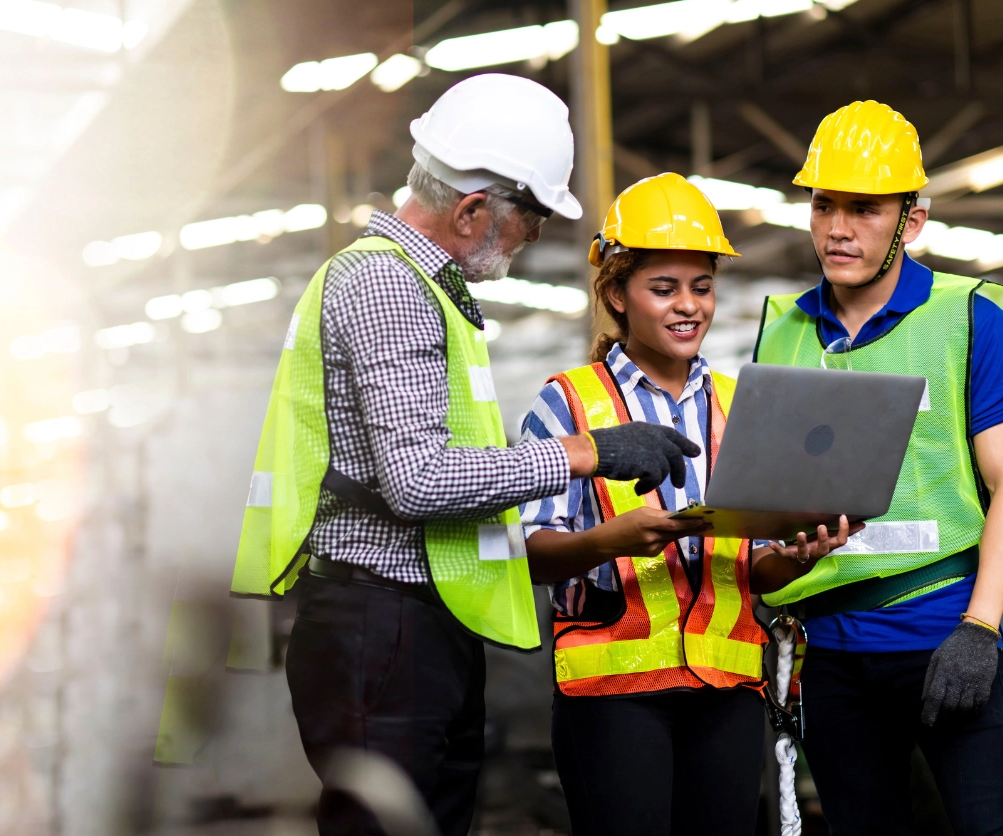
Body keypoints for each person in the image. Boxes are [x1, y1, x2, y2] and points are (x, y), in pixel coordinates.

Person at [228, 74, 708, 836]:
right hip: (379, 626)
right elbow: (417, 480)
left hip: (409, 623)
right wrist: (587, 453)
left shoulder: (425, 288)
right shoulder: (388, 286)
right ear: (474, 208)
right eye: (533, 218)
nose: (534, 237)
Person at [520, 173, 854, 836]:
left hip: (726, 691)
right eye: (663, 288)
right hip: (613, 699)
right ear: (617, 293)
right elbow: (530, 553)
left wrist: (794, 558)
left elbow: (753, 564)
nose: (688, 306)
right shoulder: (569, 402)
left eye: (701, 287)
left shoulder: (739, 404)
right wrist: (613, 539)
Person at [753, 100, 1003, 835]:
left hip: (946, 633)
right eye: (824, 204)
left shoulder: (970, 317)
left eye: (864, 209)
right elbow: (770, 512)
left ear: (911, 221)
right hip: (829, 655)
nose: (837, 227)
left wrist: (981, 629)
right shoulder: (782, 330)